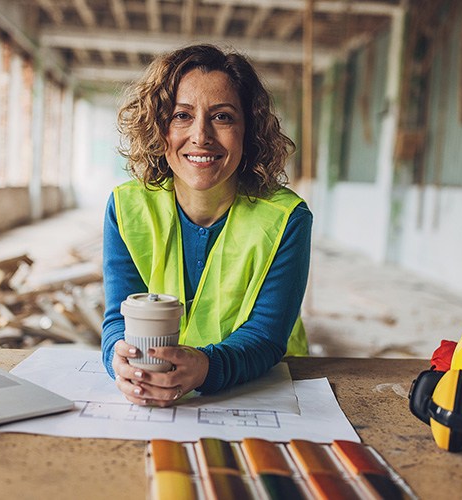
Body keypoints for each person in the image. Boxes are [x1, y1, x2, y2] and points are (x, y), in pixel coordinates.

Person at [101, 44, 313, 407]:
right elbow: (117, 319)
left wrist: (206, 368)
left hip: (267, 390)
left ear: (249, 130)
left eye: (223, 117)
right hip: (156, 391)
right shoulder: (126, 207)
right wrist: (119, 359)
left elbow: (267, 334)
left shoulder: (287, 218)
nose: (201, 136)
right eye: (182, 115)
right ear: (159, 126)